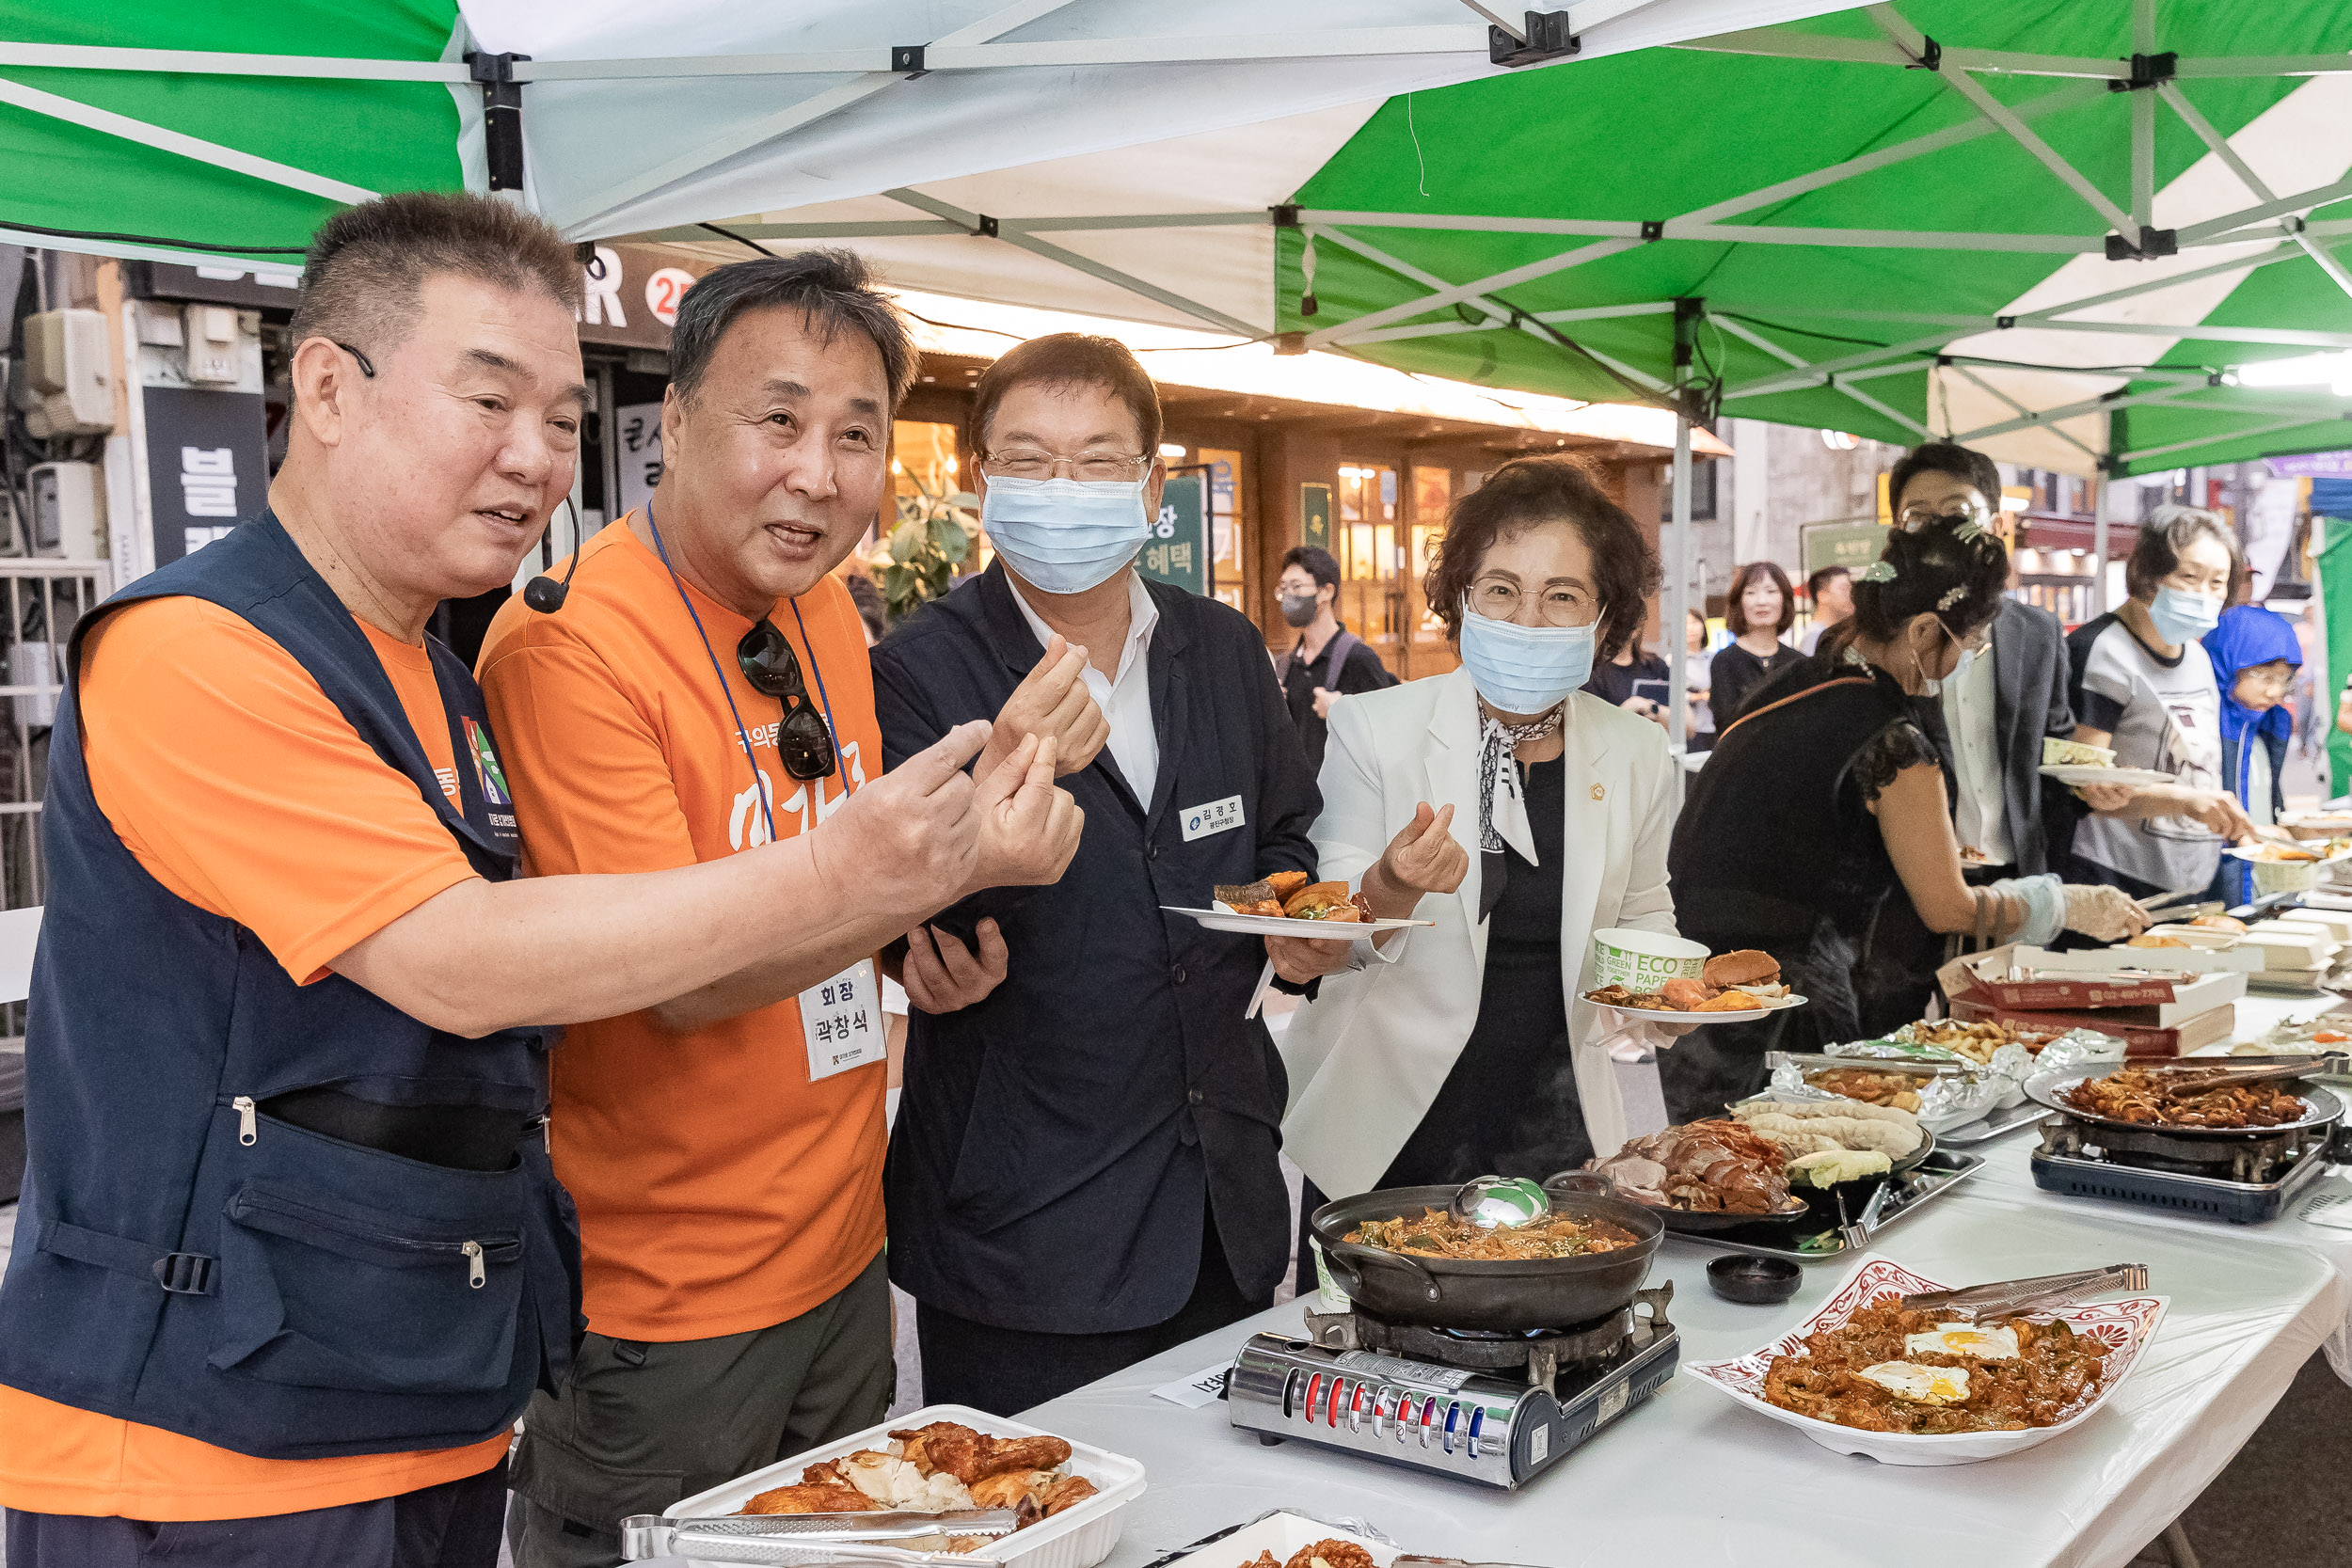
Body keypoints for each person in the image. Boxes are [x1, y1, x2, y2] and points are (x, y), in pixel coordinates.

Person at [0, 196, 1031, 1568]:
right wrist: (855, 873)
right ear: (326, 388)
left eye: (555, 419)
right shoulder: (195, 650)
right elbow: (456, 958)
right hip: (206, 1440)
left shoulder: (431, 663)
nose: (535, 457)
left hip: (418, 1375)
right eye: (487, 402)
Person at [475, 255, 1083, 1565]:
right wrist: (958, 865)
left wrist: (925, 915)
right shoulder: (570, 643)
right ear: (676, 423)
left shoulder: (824, 616)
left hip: (842, 1254)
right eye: (780, 420)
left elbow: (838, 876)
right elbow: (673, 973)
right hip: (670, 1303)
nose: (818, 472)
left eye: (856, 435)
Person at [868, 333, 1321, 1417]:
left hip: (1224, 1198)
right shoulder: (914, 670)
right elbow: (892, 893)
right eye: (1027, 459)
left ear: (1151, 486)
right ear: (981, 480)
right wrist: (1001, 776)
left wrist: (1297, 917)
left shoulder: (1219, 649)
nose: (1060, 488)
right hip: (1022, 1223)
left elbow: (1286, 836)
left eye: (1098, 461)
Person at [1271, 457, 1685, 1276]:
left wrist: (1667, 991)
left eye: (1561, 594)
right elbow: (1327, 929)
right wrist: (1393, 880)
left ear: (1604, 621)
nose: (1528, 617)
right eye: (1501, 589)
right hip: (1389, 1129)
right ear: (1461, 599)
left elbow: (1645, 908)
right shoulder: (1375, 727)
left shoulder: (1636, 749)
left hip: (1562, 1129)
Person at [1661, 512, 2145, 1121]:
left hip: (1698, 994)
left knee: (1715, 1174)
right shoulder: (1890, 739)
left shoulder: (1794, 683)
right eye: (1970, 641)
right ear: (1922, 630)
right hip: (1786, 1013)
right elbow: (1949, 907)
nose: (1971, 654)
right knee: (1797, 1184)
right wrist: (2064, 903)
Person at [2066, 508, 2259, 898]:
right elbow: (2081, 785)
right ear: (2149, 574)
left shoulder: (2198, 655)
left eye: (2218, 583)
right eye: (2189, 577)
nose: (2205, 594)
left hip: (2191, 881)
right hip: (2113, 880)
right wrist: (2186, 801)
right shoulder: (2104, 652)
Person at [2204, 603, 2302, 904]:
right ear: (2228, 666)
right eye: (2265, 676)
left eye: (2284, 679)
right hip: (2212, 887)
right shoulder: (2205, 732)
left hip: (2261, 883)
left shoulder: (2264, 727)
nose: (2276, 692)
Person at [1273, 543, 1396, 772]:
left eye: (1297, 586)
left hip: (1346, 795)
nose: (1287, 597)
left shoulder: (1358, 658)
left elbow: (1388, 728)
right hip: (1303, 797)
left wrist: (1342, 713)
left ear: (1326, 592)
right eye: (1283, 588)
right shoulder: (1286, 666)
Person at [1708, 561, 1803, 731]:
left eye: (1771, 591)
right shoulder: (1724, 662)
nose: (1761, 601)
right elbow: (1726, 726)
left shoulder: (1799, 662)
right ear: (1739, 602)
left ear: (1785, 599)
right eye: (1751, 592)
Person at [1583, 604, 1672, 728]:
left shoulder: (1654, 664)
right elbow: (1590, 727)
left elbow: (1688, 725)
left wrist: (1652, 708)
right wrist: (1628, 709)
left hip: (1657, 743)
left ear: (1637, 628)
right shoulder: (1591, 671)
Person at [1798, 564, 1852, 655]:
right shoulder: (1815, 637)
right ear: (1822, 596)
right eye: (1844, 589)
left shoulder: (1833, 633)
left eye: (1851, 589)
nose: (1850, 595)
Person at [1684, 607, 1717, 752]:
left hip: (1715, 727)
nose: (1691, 628)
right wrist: (1697, 696)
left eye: (1695, 622)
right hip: (1690, 730)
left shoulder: (1715, 659)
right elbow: (1670, 695)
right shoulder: (1672, 662)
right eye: (1686, 623)